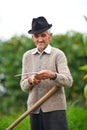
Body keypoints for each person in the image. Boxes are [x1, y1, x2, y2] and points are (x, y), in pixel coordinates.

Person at [20, 16, 73, 130]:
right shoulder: (27, 56)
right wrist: (31, 80)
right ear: (33, 38)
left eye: (43, 35)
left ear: (50, 36)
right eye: (36, 36)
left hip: (56, 111)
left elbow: (69, 81)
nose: (40, 39)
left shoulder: (58, 54)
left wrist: (52, 75)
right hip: (34, 110)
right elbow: (23, 86)